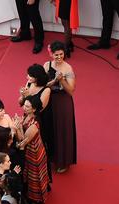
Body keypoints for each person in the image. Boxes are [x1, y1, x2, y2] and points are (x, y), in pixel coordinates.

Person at [44, 41, 77, 173]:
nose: (58, 57)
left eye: (61, 54)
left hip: (63, 102)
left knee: (63, 130)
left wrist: (62, 79)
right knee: (50, 127)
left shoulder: (68, 68)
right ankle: (51, 157)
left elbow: (70, 90)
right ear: (51, 54)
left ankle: (64, 161)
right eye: (56, 54)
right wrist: (54, 81)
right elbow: (43, 84)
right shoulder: (47, 65)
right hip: (49, 99)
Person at [16, 96, 49, 204]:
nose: (24, 108)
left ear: (34, 109)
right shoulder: (27, 116)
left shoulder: (34, 125)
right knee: (29, 175)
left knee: (34, 176)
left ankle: (35, 200)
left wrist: (18, 126)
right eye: (24, 105)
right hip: (30, 149)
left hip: (33, 152)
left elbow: (22, 140)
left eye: (27, 106)